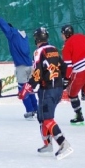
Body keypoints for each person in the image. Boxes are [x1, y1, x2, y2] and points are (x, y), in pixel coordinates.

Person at [18, 27, 73, 160]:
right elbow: (64, 67)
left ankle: (64, 144)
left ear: (36, 39)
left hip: (47, 89)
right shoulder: (53, 49)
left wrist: (27, 87)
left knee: (47, 118)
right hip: (57, 88)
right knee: (42, 117)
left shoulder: (38, 52)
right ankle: (48, 144)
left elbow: (37, 73)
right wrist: (66, 80)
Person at [0, 4, 38, 120]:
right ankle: (36, 109)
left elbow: (4, 26)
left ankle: (30, 111)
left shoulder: (11, 34)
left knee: (22, 89)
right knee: (29, 88)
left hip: (21, 67)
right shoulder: (23, 36)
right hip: (30, 65)